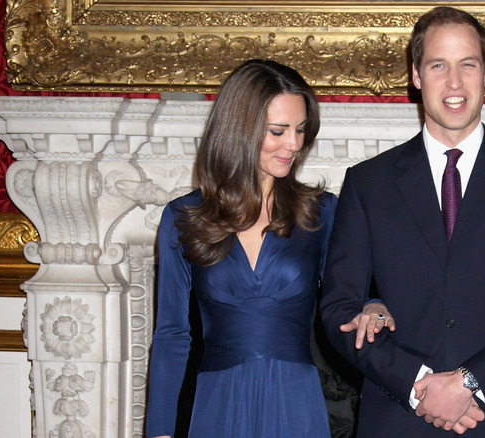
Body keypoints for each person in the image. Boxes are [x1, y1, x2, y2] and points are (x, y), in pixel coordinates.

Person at [320, 6, 485, 437]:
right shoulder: (368, 183)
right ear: (416, 75)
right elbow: (339, 309)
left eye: (467, 65)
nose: (454, 83)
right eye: (439, 65)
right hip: (397, 418)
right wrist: (418, 385)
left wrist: (469, 384)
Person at [145, 59, 394, 438]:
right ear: (239, 130)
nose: (293, 145)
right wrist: (160, 431)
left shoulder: (321, 212)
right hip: (217, 402)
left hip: (296, 400)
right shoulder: (183, 218)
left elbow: (353, 292)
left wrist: (373, 304)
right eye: (278, 131)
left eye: (300, 130)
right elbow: (171, 336)